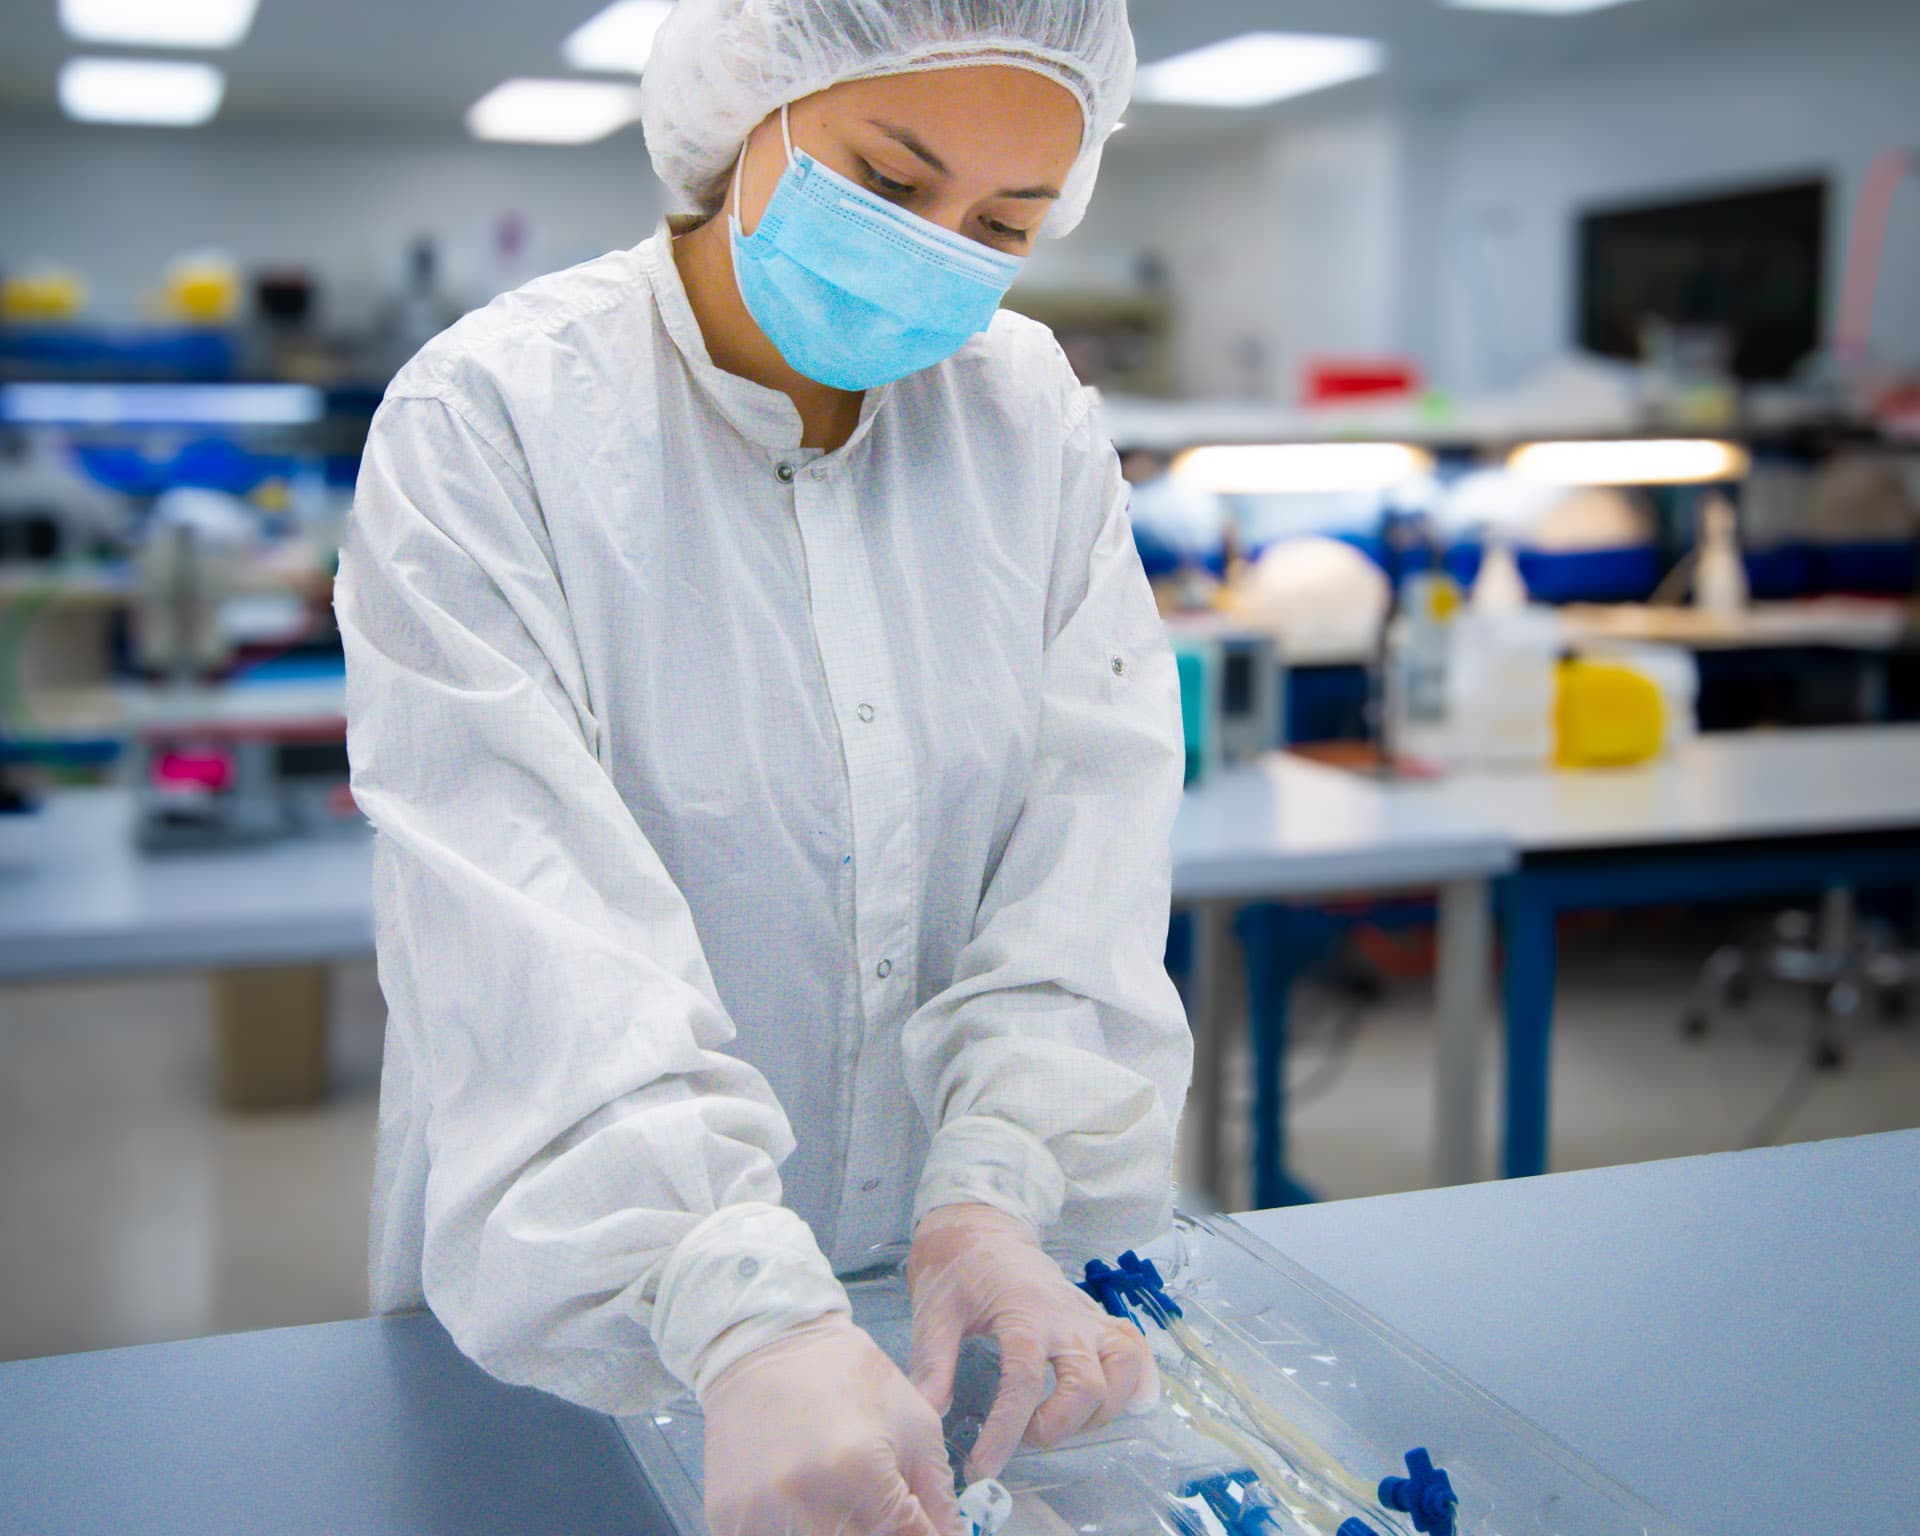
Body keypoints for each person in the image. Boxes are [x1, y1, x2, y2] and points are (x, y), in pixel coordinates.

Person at [334, 2, 1191, 1531]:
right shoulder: (496, 417)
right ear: (751, 117)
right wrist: (739, 1310)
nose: (941, 248)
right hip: (595, 1313)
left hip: (950, 1313)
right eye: (885, 180)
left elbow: (1088, 839)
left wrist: (997, 1191)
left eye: (1005, 219)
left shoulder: (1029, 413)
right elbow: (526, 921)